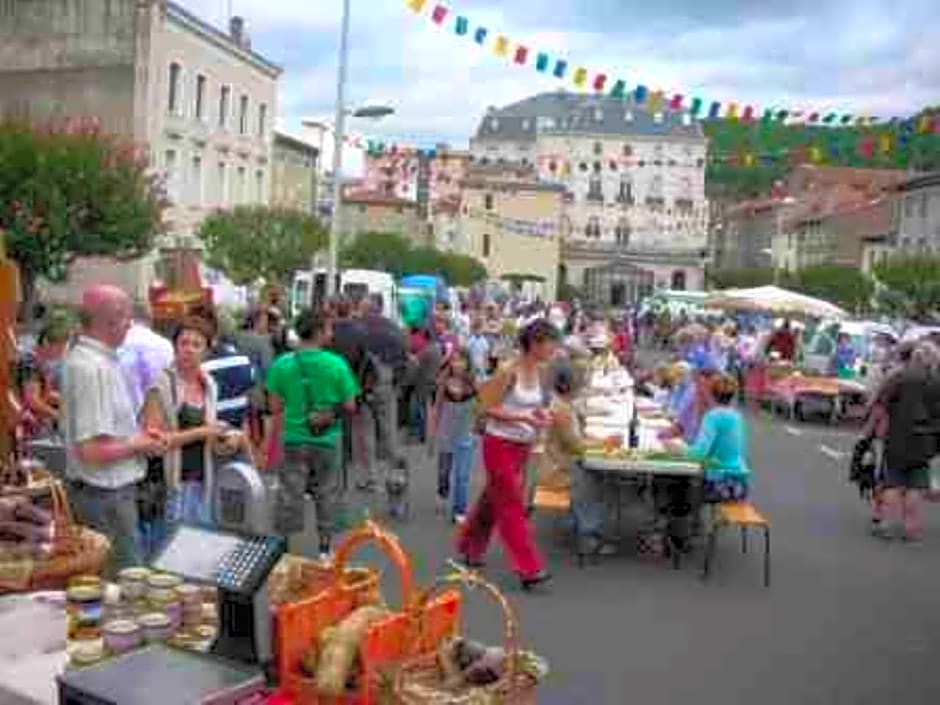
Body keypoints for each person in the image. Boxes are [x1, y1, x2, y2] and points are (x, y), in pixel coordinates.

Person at [62, 285, 166, 573]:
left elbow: (103, 438)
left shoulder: (94, 361)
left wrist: (138, 438)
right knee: (125, 584)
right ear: (108, 321)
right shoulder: (91, 368)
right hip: (106, 498)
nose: (130, 324)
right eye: (125, 317)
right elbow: (91, 451)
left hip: (106, 496)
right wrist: (140, 444)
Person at [456, 318, 558, 590]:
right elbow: (485, 407)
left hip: (521, 445)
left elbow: (528, 407)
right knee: (511, 503)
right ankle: (529, 567)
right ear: (534, 344)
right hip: (499, 443)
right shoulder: (508, 371)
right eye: (550, 343)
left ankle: (470, 545)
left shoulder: (539, 372)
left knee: (494, 498)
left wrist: (538, 415)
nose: (553, 349)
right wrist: (525, 417)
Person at [142, 317, 244, 548]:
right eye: (184, 343)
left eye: (196, 344)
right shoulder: (161, 383)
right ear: (175, 346)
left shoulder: (209, 384)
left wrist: (223, 439)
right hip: (169, 485)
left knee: (196, 553)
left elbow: (208, 434)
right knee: (168, 554)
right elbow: (151, 442)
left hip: (202, 482)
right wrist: (203, 431)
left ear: (207, 350)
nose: (189, 350)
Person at [266, 308, 359, 558]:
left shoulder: (282, 364)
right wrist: (329, 411)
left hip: (294, 437)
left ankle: (284, 546)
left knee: (290, 491)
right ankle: (325, 548)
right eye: (328, 328)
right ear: (318, 332)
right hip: (328, 438)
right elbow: (350, 405)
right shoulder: (336, 364)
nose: (331, 333)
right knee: (327, 490)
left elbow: (275, 407)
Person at [878, 342, 940, 541]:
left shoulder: (899, 378)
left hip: (898, 436)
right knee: (916, 485)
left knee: (893, 482)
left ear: (913, 358)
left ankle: (886, 524)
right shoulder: (936, 382)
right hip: (925, 438)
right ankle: (910, 527)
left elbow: (884, 402)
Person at [668, 374, 751, 503]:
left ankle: (681, 520)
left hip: (720, 483)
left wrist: (678, 449)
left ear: (711, 394)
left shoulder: (713, 417)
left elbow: (699, 453)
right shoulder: (736, 416)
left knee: (676, 484)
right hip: (739, 482)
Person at [359, 294, 408, 492]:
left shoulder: (360, 328)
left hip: (364, 384)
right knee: (389, 431)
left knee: (366, 432)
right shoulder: (393, 328)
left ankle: (371, 477)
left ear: (370, 307)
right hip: (387, 383)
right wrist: (397, 382)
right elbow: (404, 358)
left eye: (363, 306)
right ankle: (394, 474)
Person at [431, 348, 477, 524]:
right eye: (454, 360)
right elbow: (437, 406)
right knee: (444, 470)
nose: (457, 364)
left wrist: (480, 423)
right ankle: (443, 492)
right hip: (446, 431)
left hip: (466, 432)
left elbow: (485, 403)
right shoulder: (444, 379)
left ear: (468, 362)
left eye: (461, 360)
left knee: (462, 475)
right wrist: (432, 434)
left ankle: (460, 509)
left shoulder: (474, 381)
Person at [118, 301, 175, 416]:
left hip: (124, 413)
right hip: (158, 412)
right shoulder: (165, 345)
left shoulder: (116, 342)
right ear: (151, 318)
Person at [466, 316, 491, 382]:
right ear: (473, 330)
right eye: (476, 329)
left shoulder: (484, 341)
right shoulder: (471, 340)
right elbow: (468, 351)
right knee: (474, 377)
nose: (478, 331)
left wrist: (486, 363)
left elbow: (486, 353)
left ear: (482, 330)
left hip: (481, 362)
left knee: (481, 376)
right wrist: (468, 362)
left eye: (479, 329)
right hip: (473, 362)